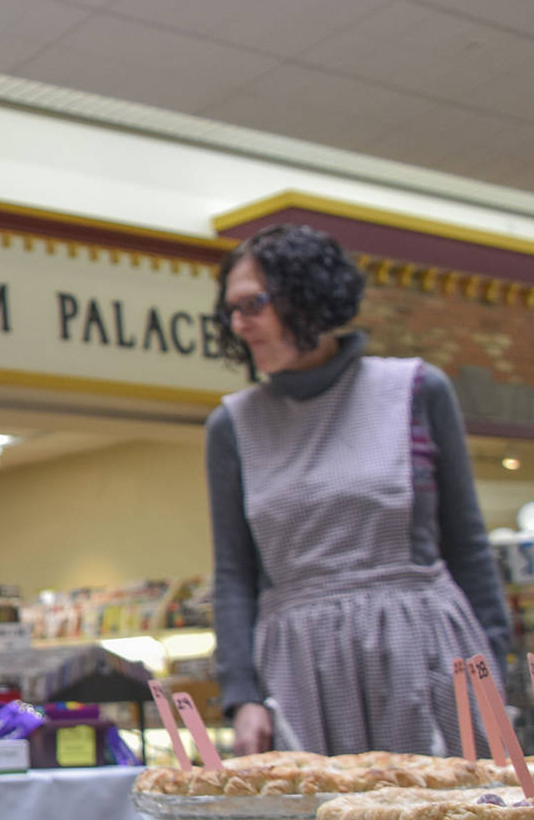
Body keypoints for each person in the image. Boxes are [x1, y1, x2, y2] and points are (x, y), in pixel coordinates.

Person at [206, 223, 512, 757]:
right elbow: (234, 572)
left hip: (425, 652)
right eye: (231, 310)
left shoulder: (417, 389)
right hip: (302, 669)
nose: (239, 324)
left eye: (253, 304)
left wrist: (496, 673)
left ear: (309, 297)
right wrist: (242, 695)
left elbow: (467, 543)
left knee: (446, 818)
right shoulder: (232, 425)